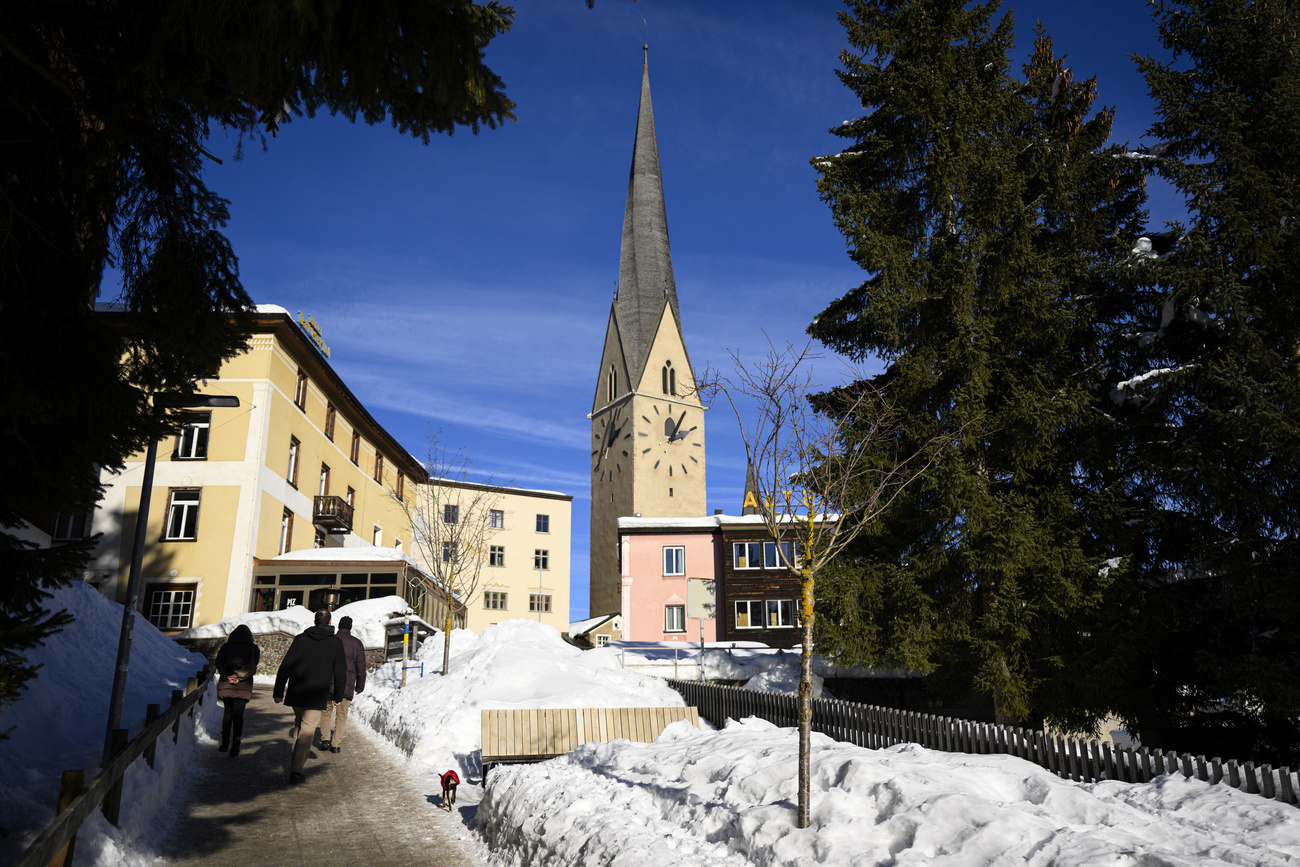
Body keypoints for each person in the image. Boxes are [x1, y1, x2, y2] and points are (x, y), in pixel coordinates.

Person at [273, 608, 345, 784]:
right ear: (329, 622)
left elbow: (285, 666)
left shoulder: (300, 639)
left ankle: (295, 764)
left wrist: (278, 690)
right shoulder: (335, 643)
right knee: (307, 729)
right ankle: (296, 770)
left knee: (300, 725)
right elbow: (341, 672)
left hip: (297, 690)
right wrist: (338, 695)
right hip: (317, 692)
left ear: (314, 621)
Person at [320, 615, 366, 753]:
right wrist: (359, 686)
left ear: (339, 626)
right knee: (342, 715)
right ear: (350, 627)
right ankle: (336, 745)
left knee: (326, 712)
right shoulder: (356, 643)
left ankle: (325, 740)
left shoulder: (329, 640)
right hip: (346, 683)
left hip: (328, 682)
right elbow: (361, 667)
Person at [214, 624, 260, 757]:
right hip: (243, 683)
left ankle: (224, 744)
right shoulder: (253, 648)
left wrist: (226, 675)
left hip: (227, 681)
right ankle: (237, 739)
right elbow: (253, 665)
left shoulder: (226, 647)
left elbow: (218, 662)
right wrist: (239, 676)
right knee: (238, 715)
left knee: (227, 713)